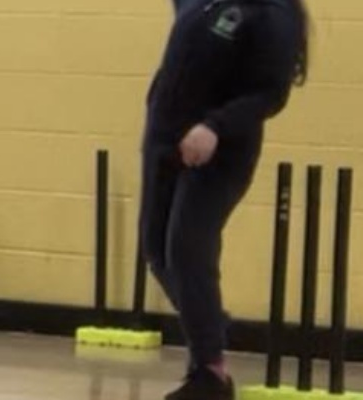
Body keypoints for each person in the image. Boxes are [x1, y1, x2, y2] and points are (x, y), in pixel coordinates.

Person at [139, 0, 309, 399]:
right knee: (157, 251)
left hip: (220, 148)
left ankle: (210, 372)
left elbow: (271, 94)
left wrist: (215, 126)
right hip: (164, 140)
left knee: (187, 248)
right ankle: (211, 325)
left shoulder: (272, 12)